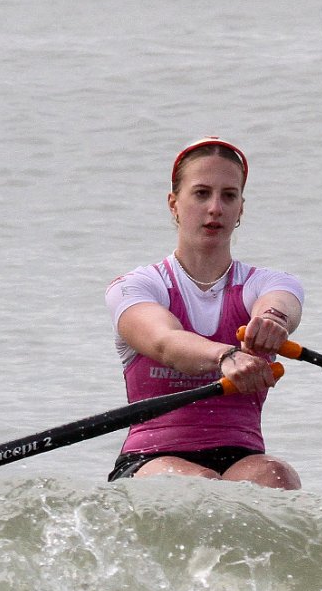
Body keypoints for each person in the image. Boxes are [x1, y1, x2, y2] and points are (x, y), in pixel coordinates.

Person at [105, 137, 303, 488]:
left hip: (243, 457)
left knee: (277, 476)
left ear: (241, 208)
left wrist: (272, 322)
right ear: (174, 204)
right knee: (200, 485)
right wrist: (226, 355)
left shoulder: (269, 283)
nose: (215, 208)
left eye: (229, 196)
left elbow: (280, 304)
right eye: (201, 193)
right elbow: (165, 342)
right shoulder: (136, 287)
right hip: (151, 459)